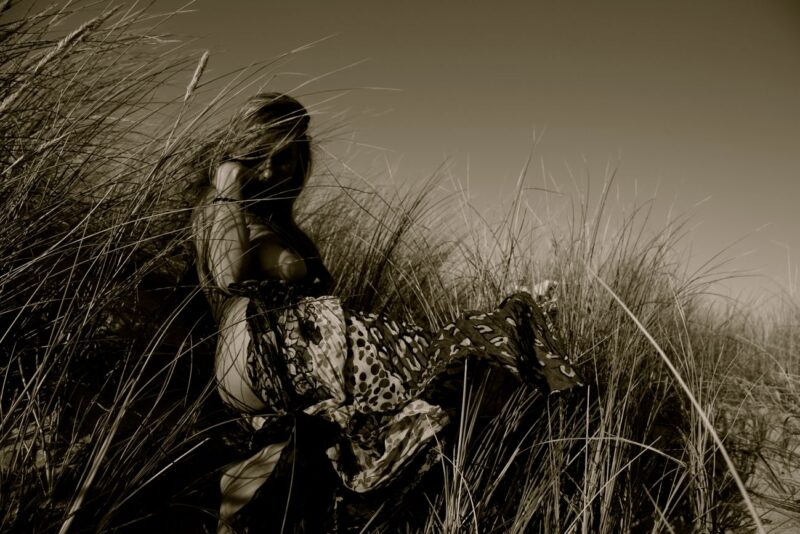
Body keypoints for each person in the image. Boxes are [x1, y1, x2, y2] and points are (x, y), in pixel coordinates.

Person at [191, 93, 583, 532]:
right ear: (240, 150)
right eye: (259, 155)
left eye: (283, 159)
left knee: (440, 385)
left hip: (296, 372)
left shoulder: (270, 221)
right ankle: (533, 346)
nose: (268, 171)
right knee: (464, 359)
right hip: (264, 362)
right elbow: (229, 274)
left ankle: (253, 487)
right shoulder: (221, 207)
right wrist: (229, 181)